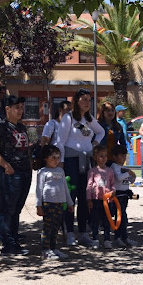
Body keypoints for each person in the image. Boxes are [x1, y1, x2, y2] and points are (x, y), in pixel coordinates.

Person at [56, 88, 105, 246]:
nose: (87, 103)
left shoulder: (89, 119)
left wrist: (94, 144)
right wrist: (61, 161)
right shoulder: (68, 118)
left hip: (86, 161)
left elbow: (101, 132)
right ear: (76, 101)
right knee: (71, 195)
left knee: (85, 196)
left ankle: (83, 232)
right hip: (71, 160)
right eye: (84, 99)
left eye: (89, 100)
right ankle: (69, 231)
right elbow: (60, 141)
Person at [0, 95, 32, 256]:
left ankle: (14, 241)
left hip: (25, 171)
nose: (20, 111)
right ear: (7, 109)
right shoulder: (0, 127)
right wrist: (6, 166)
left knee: (17, 209)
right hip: (8, 173)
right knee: (7, 209)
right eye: (17, 107)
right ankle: (8, 244)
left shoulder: (22, 127)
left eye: (21, 107)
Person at [36, 145, 74, 261]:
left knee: (56, 227)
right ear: (46, 158)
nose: (56, 160)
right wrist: (38, 205)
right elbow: (39, 189)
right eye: (53, 158)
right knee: (48, 227)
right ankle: (45, 250)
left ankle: (53, 248)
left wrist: (70, 203)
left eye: (58, 158)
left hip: (60, 203)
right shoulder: (42, 172)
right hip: (48, 203)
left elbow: (65, 188)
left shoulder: (60, 170)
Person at [86, 145, 116, 249]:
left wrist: (113, 192)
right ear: (95, 157)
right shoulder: (92, 171)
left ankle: (107, 239)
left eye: (105, 156)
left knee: (107, 220)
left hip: (107, 200)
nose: (104, 158)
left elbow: (112, 184)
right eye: (101, 156)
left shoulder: (110, 171)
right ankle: (95, 239)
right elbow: (89, 186)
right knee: (95, 220)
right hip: (96, 200)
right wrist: (89, 199)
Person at [109, 145, 138, 248]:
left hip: (125, 195)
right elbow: (119, 177)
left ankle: (124, 237)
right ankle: (118, 237)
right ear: (115, 157)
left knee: (123, 217)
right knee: (120, 217)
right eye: (122, 156)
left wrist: (133, 176)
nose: (124, 158)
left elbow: (130, 180)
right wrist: (128, 173)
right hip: (118, 195)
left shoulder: (124, 168)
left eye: (125, 156)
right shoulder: (114, 167)